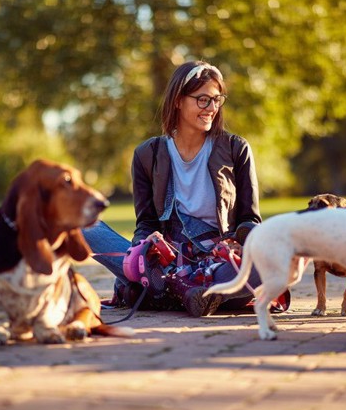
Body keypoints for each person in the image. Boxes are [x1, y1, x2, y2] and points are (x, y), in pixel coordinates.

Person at [83, 60, 289, 317]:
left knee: (275, 257)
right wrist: (146, 243)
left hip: (219, 261)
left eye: (217, 99)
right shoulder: (148, 154)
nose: (212, 108)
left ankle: (174, 292)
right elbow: (146, 222)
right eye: (203, 100)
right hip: (169, 260)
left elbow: (250, 219)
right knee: (84, 225)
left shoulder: (236, 149)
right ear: (178, 101)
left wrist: (239, 243)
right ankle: (185, 291)